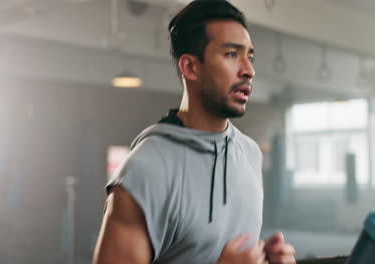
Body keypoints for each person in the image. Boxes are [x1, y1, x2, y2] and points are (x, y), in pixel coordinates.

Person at [93, 0, 296, 263]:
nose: (249, 70)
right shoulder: (145, 170)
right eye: (232, 54)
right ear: (190, 67)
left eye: (250, 56)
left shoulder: (250, 153)